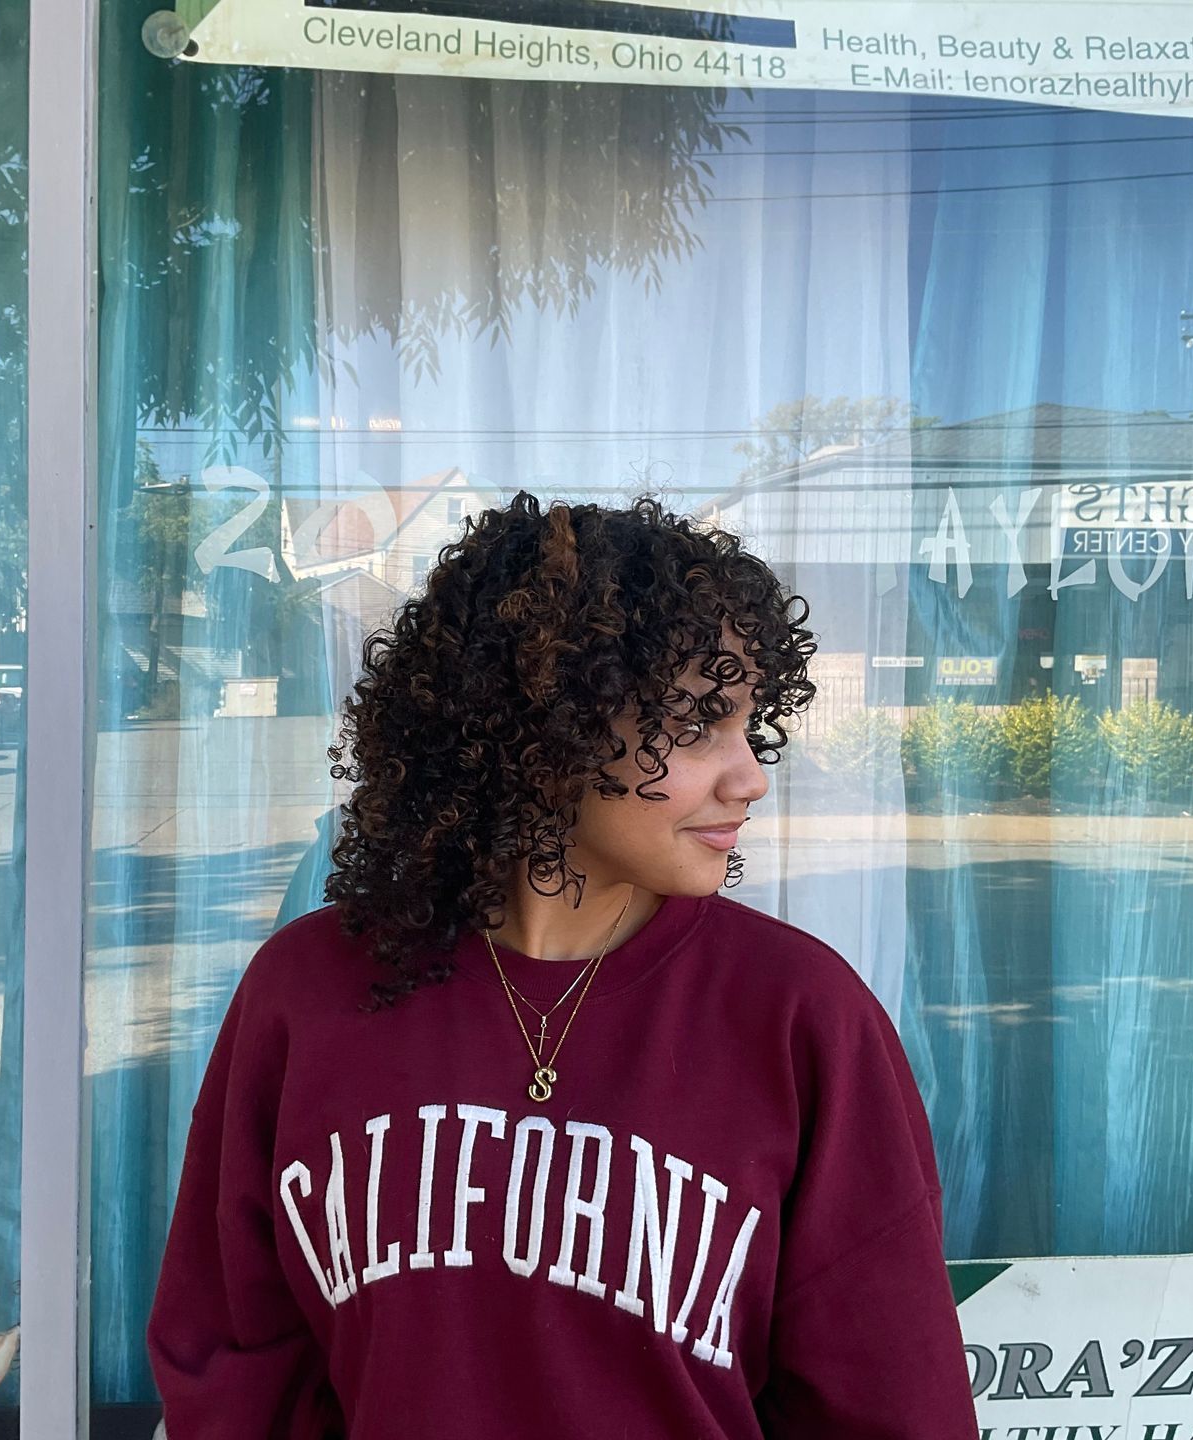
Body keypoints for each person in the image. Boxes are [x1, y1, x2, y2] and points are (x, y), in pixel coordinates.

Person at [147, 493, 977, 1437]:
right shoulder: (308, 994)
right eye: (700, 723)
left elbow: (893, 1403)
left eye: (749, 724)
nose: (749, 776)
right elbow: (231, 1356)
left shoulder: (801, 1020)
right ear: (552, 729)